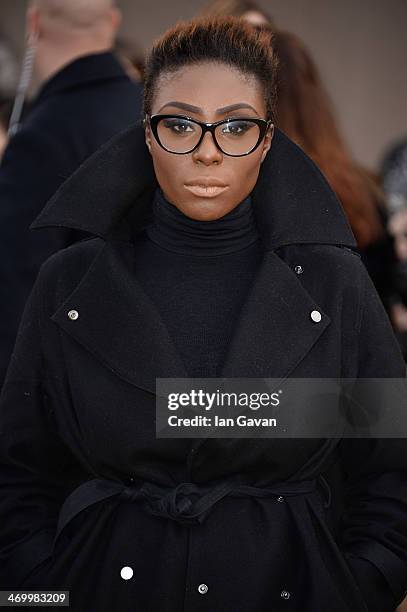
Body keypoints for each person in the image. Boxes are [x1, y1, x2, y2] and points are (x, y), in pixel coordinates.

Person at [0, 16, 407, 612]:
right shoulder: (71, 282)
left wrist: (354, 587)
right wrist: (47, 592)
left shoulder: (333, 283)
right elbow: (18, 471)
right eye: (181, 124)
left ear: (268, 139)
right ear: (147, 132)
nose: (209, 152)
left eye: (236, 126)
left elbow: (390, 465)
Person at [0, 0, 143, 387]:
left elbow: (19, 295)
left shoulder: (43, 136)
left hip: (77, 391)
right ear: (112, 22)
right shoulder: (154, 116)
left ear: (34, 21)